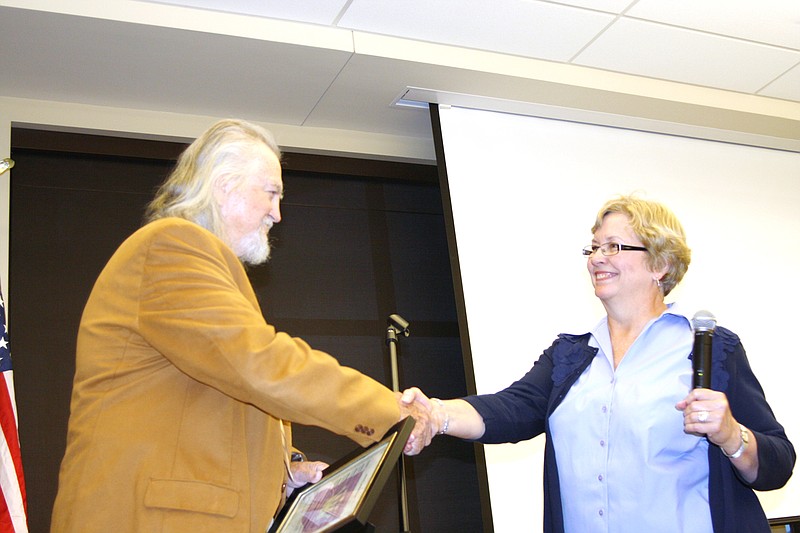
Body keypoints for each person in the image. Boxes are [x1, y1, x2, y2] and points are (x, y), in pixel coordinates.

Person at [50, 119, 434, 533]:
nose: (278, 213)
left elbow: (219, 405)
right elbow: (259, 363)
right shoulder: (171, 246)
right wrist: (388, 410)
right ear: (223, 186)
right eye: (271, 193)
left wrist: (287, 473)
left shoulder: (197, 262)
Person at [403, 195, 795, 532]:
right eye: (594, 248)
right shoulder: (572, 354)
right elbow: (510, 408)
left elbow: (777, 463)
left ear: (660, 265)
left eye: (614, 247)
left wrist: (730, 435)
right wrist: (437, 415)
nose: (596, 259)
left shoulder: (710, 349)